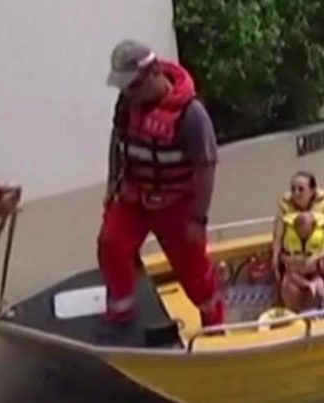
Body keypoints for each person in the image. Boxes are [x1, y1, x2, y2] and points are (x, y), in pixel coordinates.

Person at [98, 39, 223, 326]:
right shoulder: (127, 104)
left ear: (153, 73)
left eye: (132, 86)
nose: (127, 93)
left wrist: (197, 219)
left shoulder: (191, 115)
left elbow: (206, 167)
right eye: (123, 87)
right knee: (110, 243)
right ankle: (122, 307)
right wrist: (111, 185)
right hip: (135, 196)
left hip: (176, 204)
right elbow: (117, 143)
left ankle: (214, 322)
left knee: (194, 269)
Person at [270, 171, 324, 277]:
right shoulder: (283, 212)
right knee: (291, 287)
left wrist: (316, 257)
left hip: (318, 262)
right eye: (293, 189)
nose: (296, 193)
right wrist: (276, 259)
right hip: (293, 263)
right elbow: (277, 242)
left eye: (301, 189)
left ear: (312, 191)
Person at [278, 211, 324, 312]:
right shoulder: (288, 233)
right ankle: (307, 287)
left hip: (316, 270)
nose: (303, 235)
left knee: (321, 282)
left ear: (313, 227)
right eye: (299, 232)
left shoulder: (322, 228)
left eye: (306, 232)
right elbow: (281, 256)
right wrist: (292, 259)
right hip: (296, 271)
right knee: (292, 277)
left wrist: (316, 258)